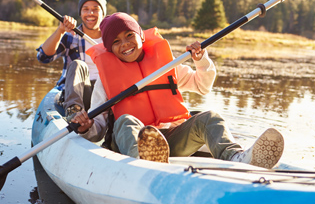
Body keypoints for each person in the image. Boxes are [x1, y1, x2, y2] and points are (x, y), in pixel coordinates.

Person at [72, 12, 284, 169]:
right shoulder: (105, 81)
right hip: (132, 144)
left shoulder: (166, 67)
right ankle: (141, 163)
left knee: (210, 117)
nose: (125, 44)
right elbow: (98, 128)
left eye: (129, 35)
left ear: (141, 36)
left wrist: (200, 61)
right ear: (109, 49)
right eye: (116, 42)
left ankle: (236, 157)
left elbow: (202, 85)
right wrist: (86, 126)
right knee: (125, 120)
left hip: (171, 140)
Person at [36, 0, 107, 119]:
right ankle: (74, 112)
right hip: (79, 92)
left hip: (104, 94)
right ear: (80, 13)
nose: (90, 13)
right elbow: (43, 57)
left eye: (95, 9)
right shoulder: (70, 37)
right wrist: (60, 31)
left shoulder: (111, 40)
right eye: (85, 9)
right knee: (78, 65)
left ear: (103, 13)